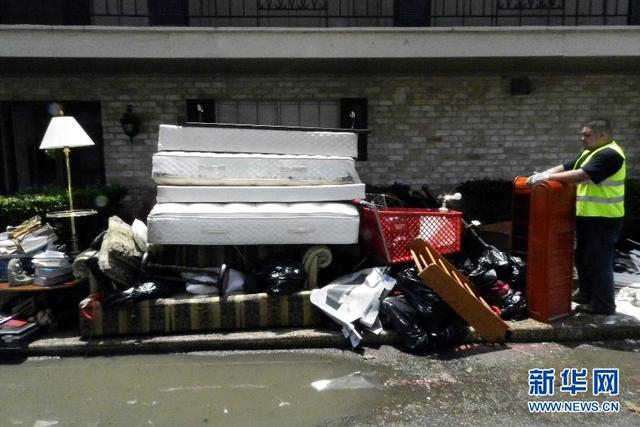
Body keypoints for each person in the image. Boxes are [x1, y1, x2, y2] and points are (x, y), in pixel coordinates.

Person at [527, 119, 626, 315]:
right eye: (582, 134)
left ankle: (604, 304)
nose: (582, 138)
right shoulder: (591, 153)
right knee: (583, 257)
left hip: (603, 218)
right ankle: (586, 293)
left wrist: (547, 178)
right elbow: (567, 167)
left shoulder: (610, 154)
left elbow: (580, 175)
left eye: (586, 135)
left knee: (598, 260)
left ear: (602, 135)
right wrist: (543, 174)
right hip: (589, 216)